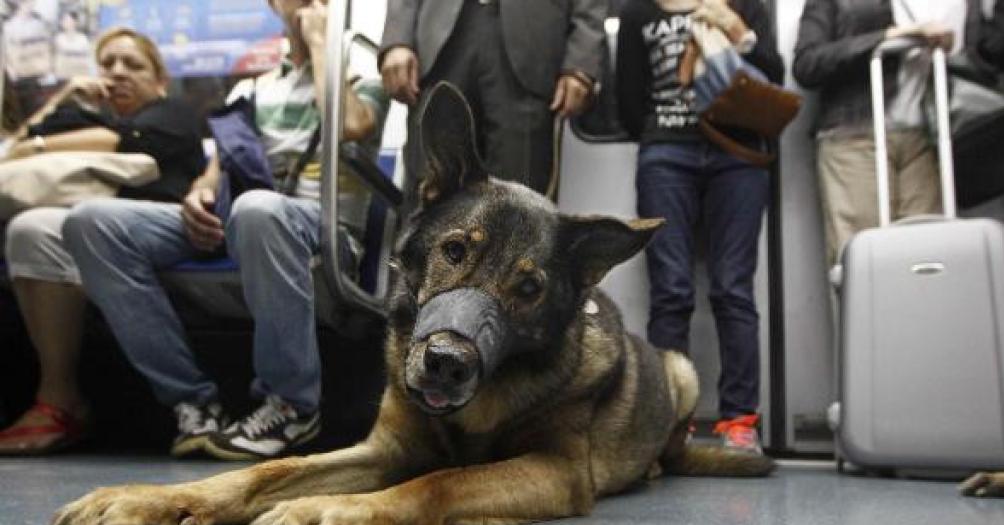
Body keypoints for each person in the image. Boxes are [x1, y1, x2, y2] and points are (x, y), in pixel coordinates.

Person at [61, 0, 389, 461]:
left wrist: (320, 44)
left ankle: (291, 405)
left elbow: (352, 126)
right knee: (90, 222)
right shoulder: (254, 87)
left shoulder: (362, 68)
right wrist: (199, 195)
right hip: (244, 217)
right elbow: (219, 167)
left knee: (258, 209)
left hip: (323, 227)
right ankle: (192, 402)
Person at [0, 27, 206, 454]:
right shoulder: (87, 121)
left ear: (160, 80)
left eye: (133, 64)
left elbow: (127, 140)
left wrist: (38, 145)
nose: (117, 72)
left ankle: (190, 400)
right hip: (87, 222)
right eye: (107, 64)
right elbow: (8, 154)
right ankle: (59, 395)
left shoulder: (173, 112)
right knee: (29, 229)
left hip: (166, 222)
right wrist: (62, 99)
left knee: (90, 220)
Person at [616, 0, 783, 454]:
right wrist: (662, 129)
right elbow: (628, 100)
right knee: (670, 291)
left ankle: (739, 419)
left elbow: (776, 75)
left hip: (739, 152)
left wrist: (739, 32)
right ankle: (669, 419)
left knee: (733, 288)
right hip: (667, 153)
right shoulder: (638, 11)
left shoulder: (744, 3)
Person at [793, 0, 964, 266]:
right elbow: (808, 64)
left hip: (923, 137)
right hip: (855, 135)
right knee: (864, 257)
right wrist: (887, 38)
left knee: (926, 258)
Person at [379, 0, 607, 195]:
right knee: (429, 192)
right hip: (442, 44)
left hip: (532, 51)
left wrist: (581, 61)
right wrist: (397, 38)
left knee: (519, 201)